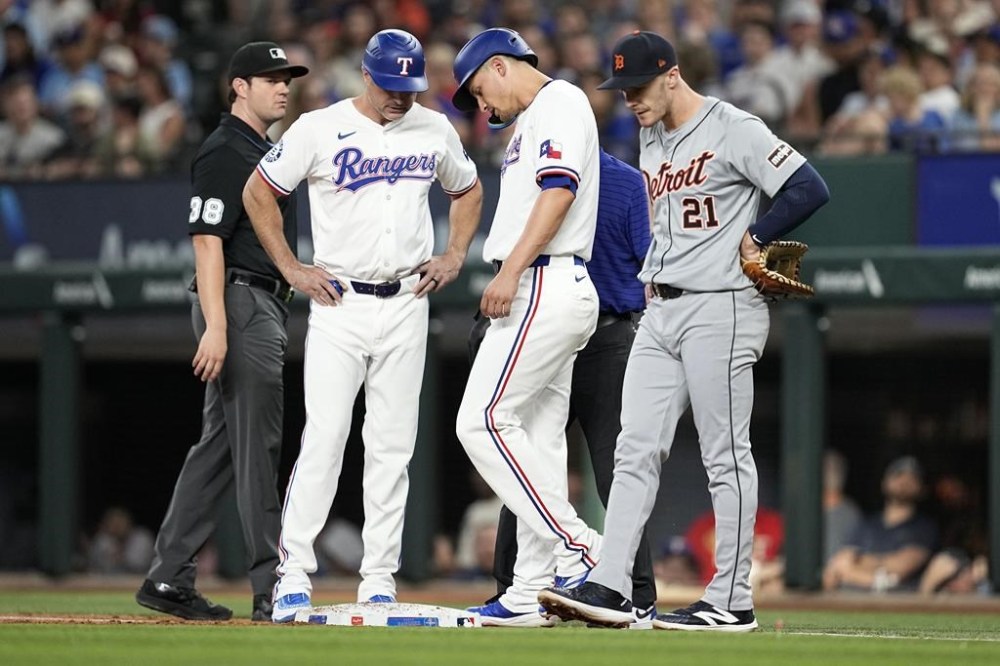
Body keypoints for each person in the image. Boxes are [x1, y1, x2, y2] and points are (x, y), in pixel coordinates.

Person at [540, 30, 830, 632]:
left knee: (725, 456)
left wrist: (758, 234)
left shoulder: (734, 127)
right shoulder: (652, 134)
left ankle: (733, 598)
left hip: (720, 306)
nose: (630, 100)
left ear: (672, 74)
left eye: (639, 87)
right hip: (662, 310)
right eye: (622, 90)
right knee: (633, 449)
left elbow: (808, 186)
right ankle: (613, 586)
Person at [242, 29, 482, 623]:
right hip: (340, 302)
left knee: (392, 447)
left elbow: (469, 189)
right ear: (367, 76)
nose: (403, 97)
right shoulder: (318, 128)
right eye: (393, 85)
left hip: (406, 301)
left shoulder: (433, 128)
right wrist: (292, 267)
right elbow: (257, 192)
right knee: (323, 439)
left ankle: (379, 578)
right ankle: (293, 571)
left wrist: (454, 254)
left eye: (412, 87)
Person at [135, 42, 309, 623]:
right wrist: (216, 326)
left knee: (219, 450)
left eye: (286, 78)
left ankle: (168, 577)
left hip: (251, 301)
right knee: (258, 447)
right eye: (269, 78)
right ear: (239, 86)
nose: (282, 86)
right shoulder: (226, 149)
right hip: (238, 301)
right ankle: (271, 588)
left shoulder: (263, 149)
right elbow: (206, 241)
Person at [450, 27, 603, 627]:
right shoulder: (532, 118)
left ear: (501, 65)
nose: (478, 105)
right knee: (536, 443)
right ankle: (529, 591)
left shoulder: (559, 101)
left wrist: (511, 271)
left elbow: (559, 193)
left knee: (480, 422)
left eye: (478, 88)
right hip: (546, 283)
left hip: (542, 280)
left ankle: (582, 548)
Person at [469, 149, 657, 623]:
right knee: (533, 458)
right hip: (582, 329)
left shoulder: (605, 179)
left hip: (587, 331)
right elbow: (649, 265)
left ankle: (621, 590)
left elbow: (649, 261)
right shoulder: (596, 176)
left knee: (540, 456)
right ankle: (528, 590)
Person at [823, 456, 939, 592]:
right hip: (853, 602)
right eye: (898, 476)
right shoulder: (867, 524)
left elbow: (900, 568)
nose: (904, 482)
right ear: (884, 483)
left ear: (921, 489)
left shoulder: (924, 528)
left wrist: (857, 563)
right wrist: (881, 577)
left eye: (912, 478)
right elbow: (838, 566)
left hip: (896, 605)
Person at [823, 449, 862, 563]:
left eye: (835, 468)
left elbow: (853, 554)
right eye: (827, 468)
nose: (831, 472)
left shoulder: (851, 513)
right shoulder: (805, 509)